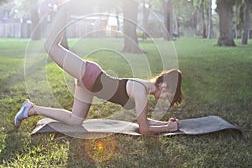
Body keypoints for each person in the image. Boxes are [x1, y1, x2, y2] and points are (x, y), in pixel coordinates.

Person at [14, 18, 183, 135]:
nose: (166, 99)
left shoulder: (143, 90)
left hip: (91, 85)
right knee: (50, 46)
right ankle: (63, 8)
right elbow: (144, 129)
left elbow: (143, 120)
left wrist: (165, 124)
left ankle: (31, 109)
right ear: (163, 85)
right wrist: (168, 128)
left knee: (75, 120)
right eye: (169, 95)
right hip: (90, 75)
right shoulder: (141, 92)